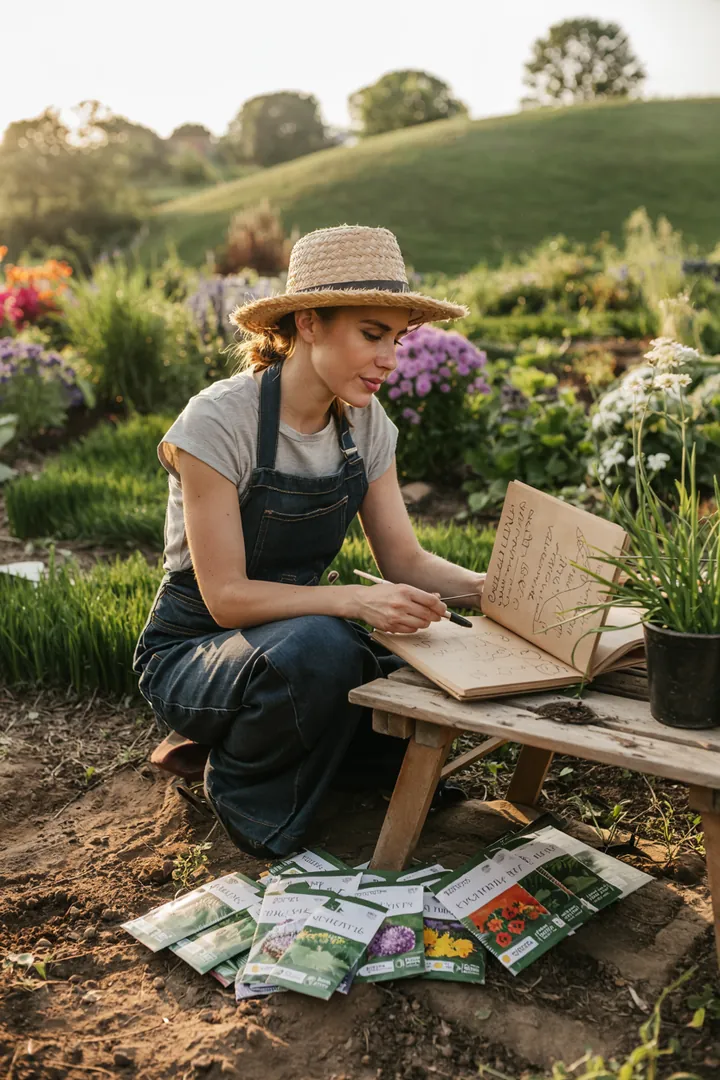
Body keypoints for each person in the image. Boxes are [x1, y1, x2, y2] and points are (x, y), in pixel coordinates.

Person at [133, 224, 486, 857]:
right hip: (195, 651)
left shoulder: (366, 423)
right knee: (325, 647)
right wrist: (351, 601)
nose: (389, 359)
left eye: (397, 339)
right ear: (308, 323)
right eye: (371, 334)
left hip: (295, 638)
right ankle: (247, 794)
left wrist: (488, 589)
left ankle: (339, 764)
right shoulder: (218, 422)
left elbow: (404, 559)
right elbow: (227, 601)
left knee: (426, 655)